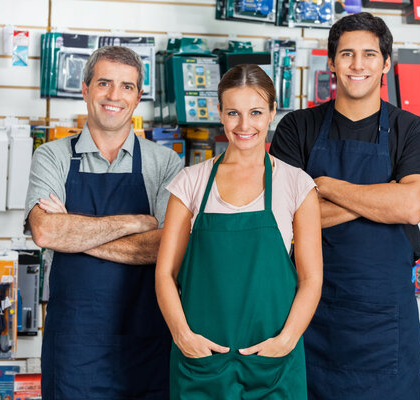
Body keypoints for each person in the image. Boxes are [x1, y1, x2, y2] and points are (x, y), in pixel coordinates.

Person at [270, 12, 420, 400]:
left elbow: (412, 206)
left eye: (369, 54)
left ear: (386, 63)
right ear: (331, 62)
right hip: (309, 316)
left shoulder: (414, 130)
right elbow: (284, 220)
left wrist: (325, 188)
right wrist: (383, 195)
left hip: (384, 328)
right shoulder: (298, 127)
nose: (358, 65)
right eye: (346, 54)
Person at [156, 64, 323, 399]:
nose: (245, 125)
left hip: (272, 364)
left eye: (256, 112)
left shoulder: (296, 184)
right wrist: (182, 335)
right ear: (219, 112)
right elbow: (164, 273)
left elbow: (312, 279)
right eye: (233, 112)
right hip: (202, 363)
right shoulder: (190, 182)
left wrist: (287, 340)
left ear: (273, 112)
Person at [25, 46, 182, 399]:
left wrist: (75, 235)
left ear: (139, 96)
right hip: (74, 351)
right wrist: (136, 222)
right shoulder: (52, 156)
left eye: (126, 87)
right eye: (104, 83)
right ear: (85, 89)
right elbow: (46, 230)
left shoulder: (165, 162)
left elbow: (162, 247)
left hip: (146, 344)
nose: (114, 96)